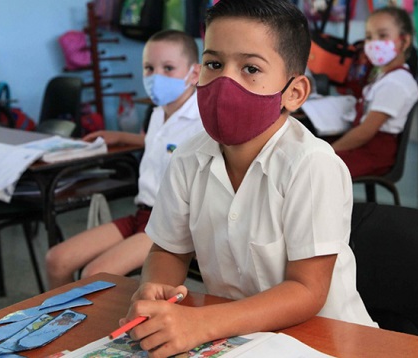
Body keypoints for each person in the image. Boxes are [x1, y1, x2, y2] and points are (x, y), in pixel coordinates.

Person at [119, 1, 376, 357]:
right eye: (214, 64)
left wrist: (203, 322)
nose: (225, 82)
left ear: (294, 93)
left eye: (250, 68)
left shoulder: (312, 165)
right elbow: (168, 249)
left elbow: (307, 290)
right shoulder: (188, 158)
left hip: (328, 340)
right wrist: (154, 290)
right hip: (237, 338)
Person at [45, 30, 204, 289]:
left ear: (194, 74)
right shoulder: (157, 113)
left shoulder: (201, 120)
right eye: (149, 68)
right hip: (142, 214)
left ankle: (94, 328)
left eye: (168, 68)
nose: (156, 77)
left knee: (94, 275)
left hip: (172, 226)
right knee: (57, 259)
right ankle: (63, 325)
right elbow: (160, 144)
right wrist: (118, 136)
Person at [330, 6, 418, 177]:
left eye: (383, 36)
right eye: (369, 37)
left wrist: (327, 153)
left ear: (405, 41)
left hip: (373, 154)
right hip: (363, 147)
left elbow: (365, 132)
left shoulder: (397, 82)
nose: (373, 43)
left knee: (314, 167)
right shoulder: (382, 76)